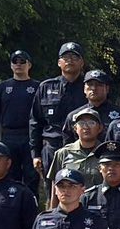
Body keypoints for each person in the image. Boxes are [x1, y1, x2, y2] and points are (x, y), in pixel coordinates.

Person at [29, 42, 88, 180]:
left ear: (82, 62)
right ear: (59, 62)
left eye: (74, 57)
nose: (70, 60)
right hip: (52, 147)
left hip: (81, 147)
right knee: (53, 191)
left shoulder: (90, 87)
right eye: (66, 57)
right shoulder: (46, 87)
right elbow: (35, 122)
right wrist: (35, 154)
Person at [0, 50, 41, 191]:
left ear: (29, 65)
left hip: (30, 136)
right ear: (11, 65)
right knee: (11, 174)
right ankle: (13, 205)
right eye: (15, 61)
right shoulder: (2, 87)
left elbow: (41, 116)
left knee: (32, 175)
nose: (18, 65)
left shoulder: (38, 87)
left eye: (22, 61)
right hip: (9, 137)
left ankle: (31, 205)